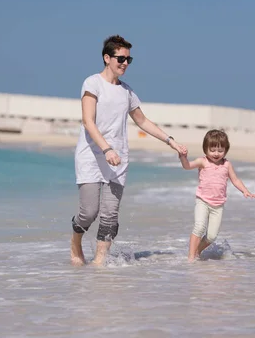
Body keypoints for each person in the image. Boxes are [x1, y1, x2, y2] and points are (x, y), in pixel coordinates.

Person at [70, 35, 187, 266]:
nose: (124, 63)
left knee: (110, 215)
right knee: (89, 213)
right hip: (92, 156)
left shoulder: (127, 91)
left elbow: (143, 121)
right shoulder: (92, 83)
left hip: (118, 158)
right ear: (107, 58)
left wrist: (170, 141)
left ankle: (99, 263)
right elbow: (88, 121)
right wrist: (106, 149)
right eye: (120, 58)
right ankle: (75, 244)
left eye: (128, 59)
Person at [178, 129, 255, 262]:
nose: (216, 153)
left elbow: (235, 180)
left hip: (218, 205)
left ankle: (197, 251)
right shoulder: (203, 162)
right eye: (212, 150)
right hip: (202, 201)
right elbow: (187, 166)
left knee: (211, 236)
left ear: (226, 150)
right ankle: (191, 257)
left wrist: (245, 190)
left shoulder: (227, 164)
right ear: (205, 149)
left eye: (220, 151)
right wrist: (182, 157)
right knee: (199, 226)